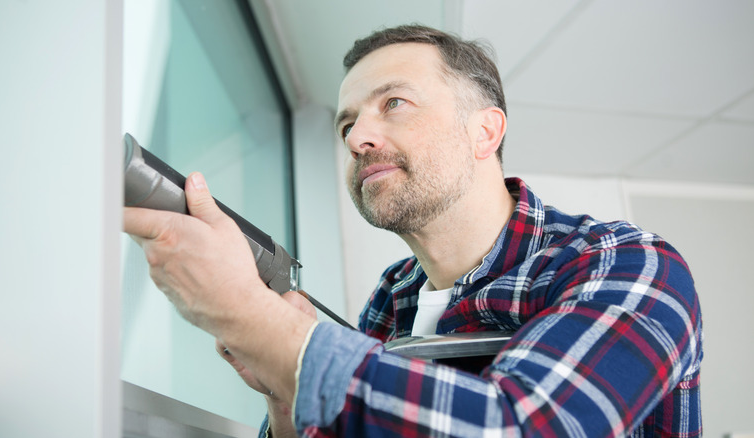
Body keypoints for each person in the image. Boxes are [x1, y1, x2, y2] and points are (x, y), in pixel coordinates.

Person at [125, 24, 702, 437]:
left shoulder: (627, 263)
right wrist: (283, 398)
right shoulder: (392, 298)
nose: (356, 138)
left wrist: (246, 314)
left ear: (485, 132)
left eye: (394, 103)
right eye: (347, 123)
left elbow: (524, 426)